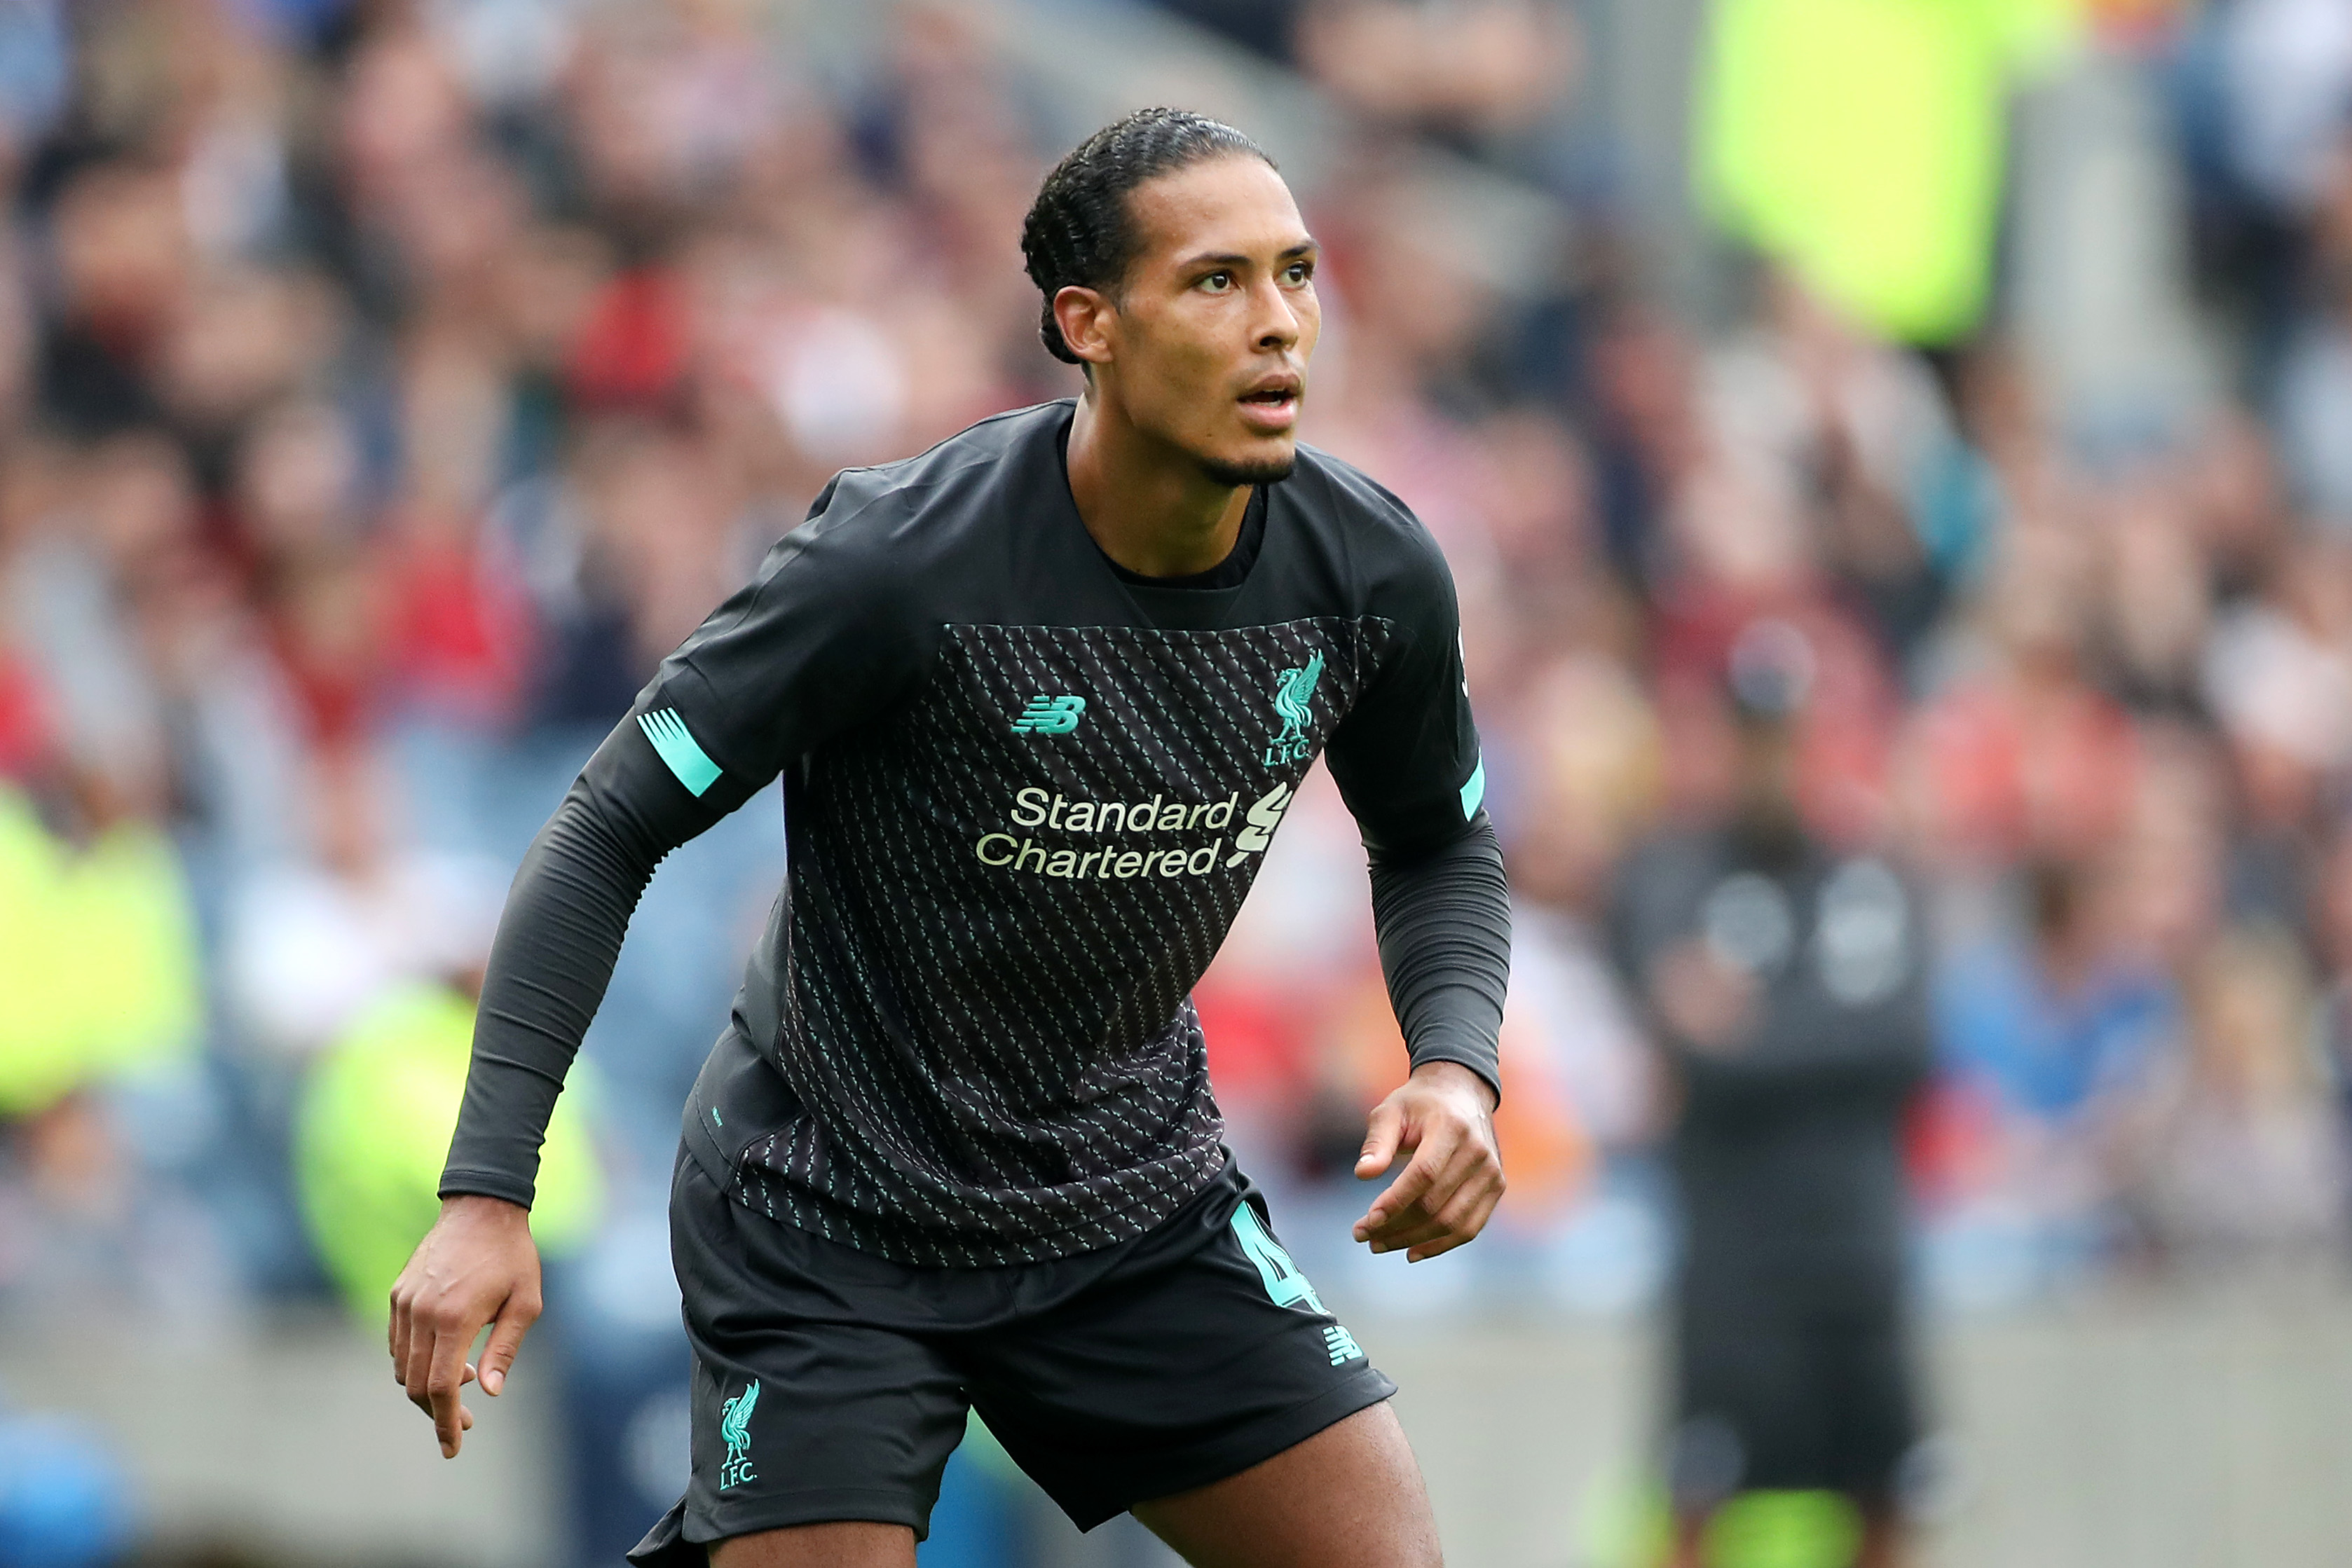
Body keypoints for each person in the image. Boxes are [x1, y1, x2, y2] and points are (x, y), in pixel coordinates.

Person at [388, 109, 1512, 1568]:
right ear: (1086, 324)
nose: (1281, 325)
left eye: (1297, 276)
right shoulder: (900, 562)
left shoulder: (1369, 573)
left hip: (1128, 1199)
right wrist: (487, 1194)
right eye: (1218, 282)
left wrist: (1452, 1063)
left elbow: (1436, 842)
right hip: (829, 1214)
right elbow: (606, 827)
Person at [1608, 621, 1931, 1568]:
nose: (1773, 758)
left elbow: (1907, 1040)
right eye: (1754, 733)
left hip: (1858, 1244)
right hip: (1733, 1253)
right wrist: (1824, 1025)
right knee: (1698, 1490)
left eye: (1788, 731)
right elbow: (1696, 1043)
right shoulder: (1670, 872)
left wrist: (1758, 1031)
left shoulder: (1874, 871)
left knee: (1886, 1490)